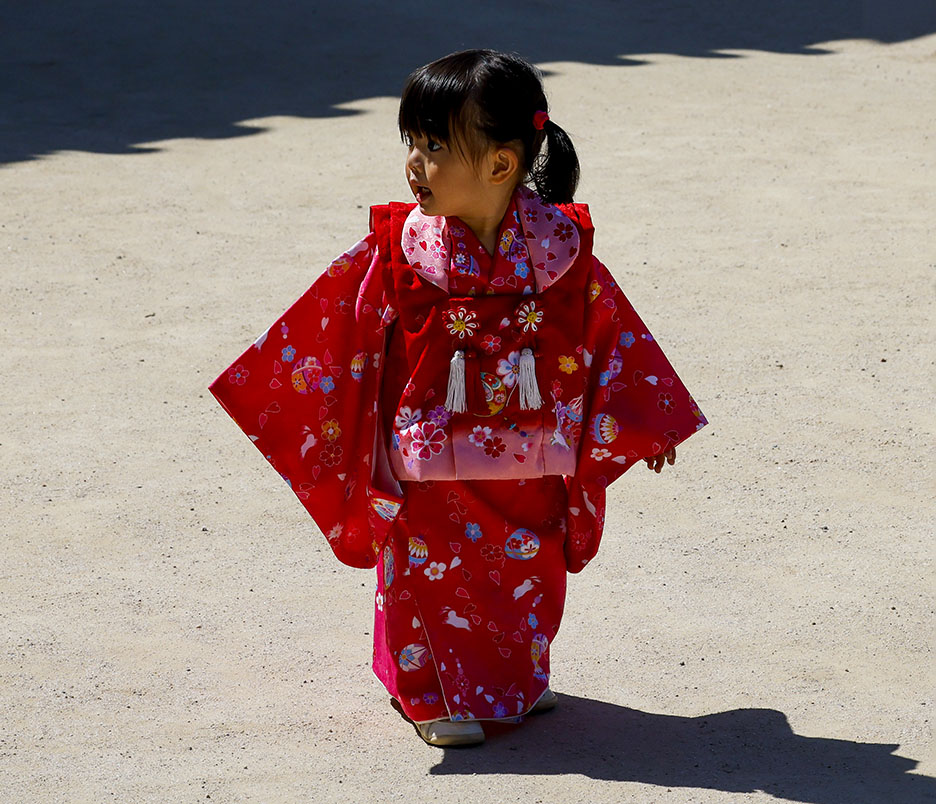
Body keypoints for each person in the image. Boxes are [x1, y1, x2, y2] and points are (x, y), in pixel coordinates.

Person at [210, 49, 706, 747]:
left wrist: (646, 421)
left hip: (533, 459)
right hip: (426, 466)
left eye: (436, 146)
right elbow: (340, 329)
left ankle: (513, 679)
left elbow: (610, 331)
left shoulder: (561, 251)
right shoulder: (400, 250)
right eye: (412, 143)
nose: (415, 163)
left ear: (501, 164)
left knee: (527, 568)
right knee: (427, 576)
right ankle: (428, 693)